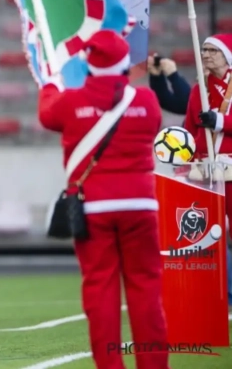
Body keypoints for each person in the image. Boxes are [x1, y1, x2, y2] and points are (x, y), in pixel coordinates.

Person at [38, 30, 169, 369]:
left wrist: (50, 83)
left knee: (100, 291)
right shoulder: (146, 101)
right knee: (146, 289)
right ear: (125, 63)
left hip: (93, 206)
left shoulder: (71, 102)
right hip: (140, 205)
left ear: (89, 64)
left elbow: (47, 114)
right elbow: (153, 125)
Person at [183, 33, 232, 308]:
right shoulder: (199, 89)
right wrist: (185, 158)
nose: (206, 55)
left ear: (227, 56)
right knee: (205, 234)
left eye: (213, 50)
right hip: (205, 170)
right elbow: (190, 129)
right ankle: (212, 293)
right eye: (203, 50)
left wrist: (220, 120)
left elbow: (220, 122)